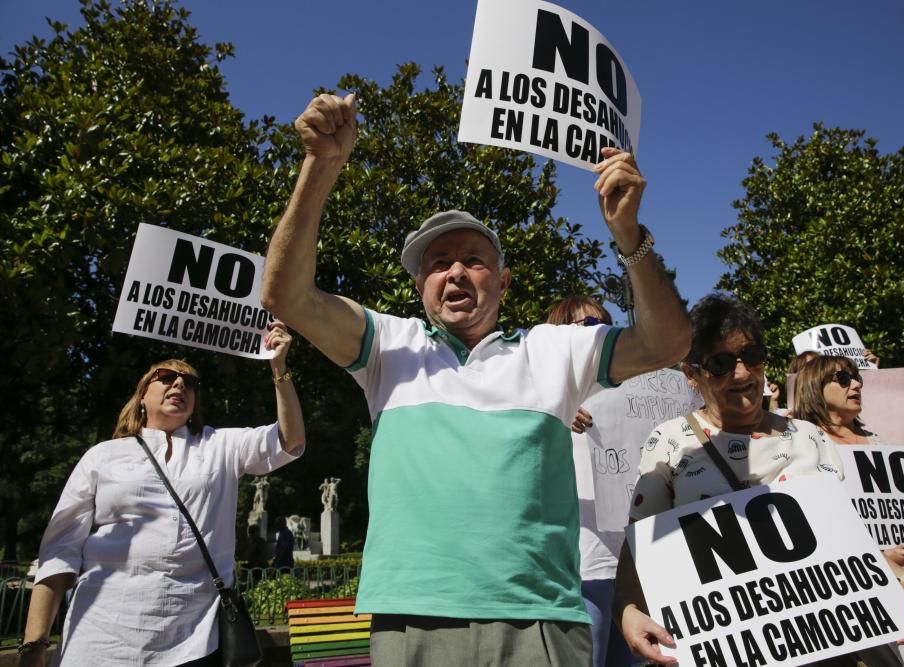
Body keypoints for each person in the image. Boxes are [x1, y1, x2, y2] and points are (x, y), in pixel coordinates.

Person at [261, 92, 692, 665]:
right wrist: (321, 166)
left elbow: (668, 343)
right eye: (438, 263)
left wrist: (628, 236)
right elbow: (285, 295)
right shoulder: (390, 346)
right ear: (421, 289)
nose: (455, 271)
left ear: (505, 283)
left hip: (538, 622)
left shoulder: (555, 350)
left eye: (473, 258)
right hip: (412, 618)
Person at [612, 295, 904, 666]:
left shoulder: (809, 436)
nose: (741, 374)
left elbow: (848, 539)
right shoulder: (670, 441)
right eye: (720, 363)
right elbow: (640, 541)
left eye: (751, 356)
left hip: (828, 646)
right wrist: (626, 608)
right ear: (692, 374)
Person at [18, 323, 305, 666]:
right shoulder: (103, 456)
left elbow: (290, 441)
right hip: (101, 638)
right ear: (142, 395)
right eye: (166, 377)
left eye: (189, 382)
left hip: (194, 641)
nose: (179, 383)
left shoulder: (220, 445)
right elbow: (59, 551)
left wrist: (279, 367)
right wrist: (34, 645)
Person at [793, 354, 904, 667]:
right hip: (841, 590)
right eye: (842, 379)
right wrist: (878, 559)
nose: (855, 384)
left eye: (856, 379)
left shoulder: (882, 443)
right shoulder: (802, 448)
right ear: (815, 387)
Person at [546, 295, 634, 667]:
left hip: (632, 566)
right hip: (582, 566)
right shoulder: (542, 397)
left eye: (605, 324)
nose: (600, 332)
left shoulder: (632, 392)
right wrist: (555, 416)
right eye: (588, 325)